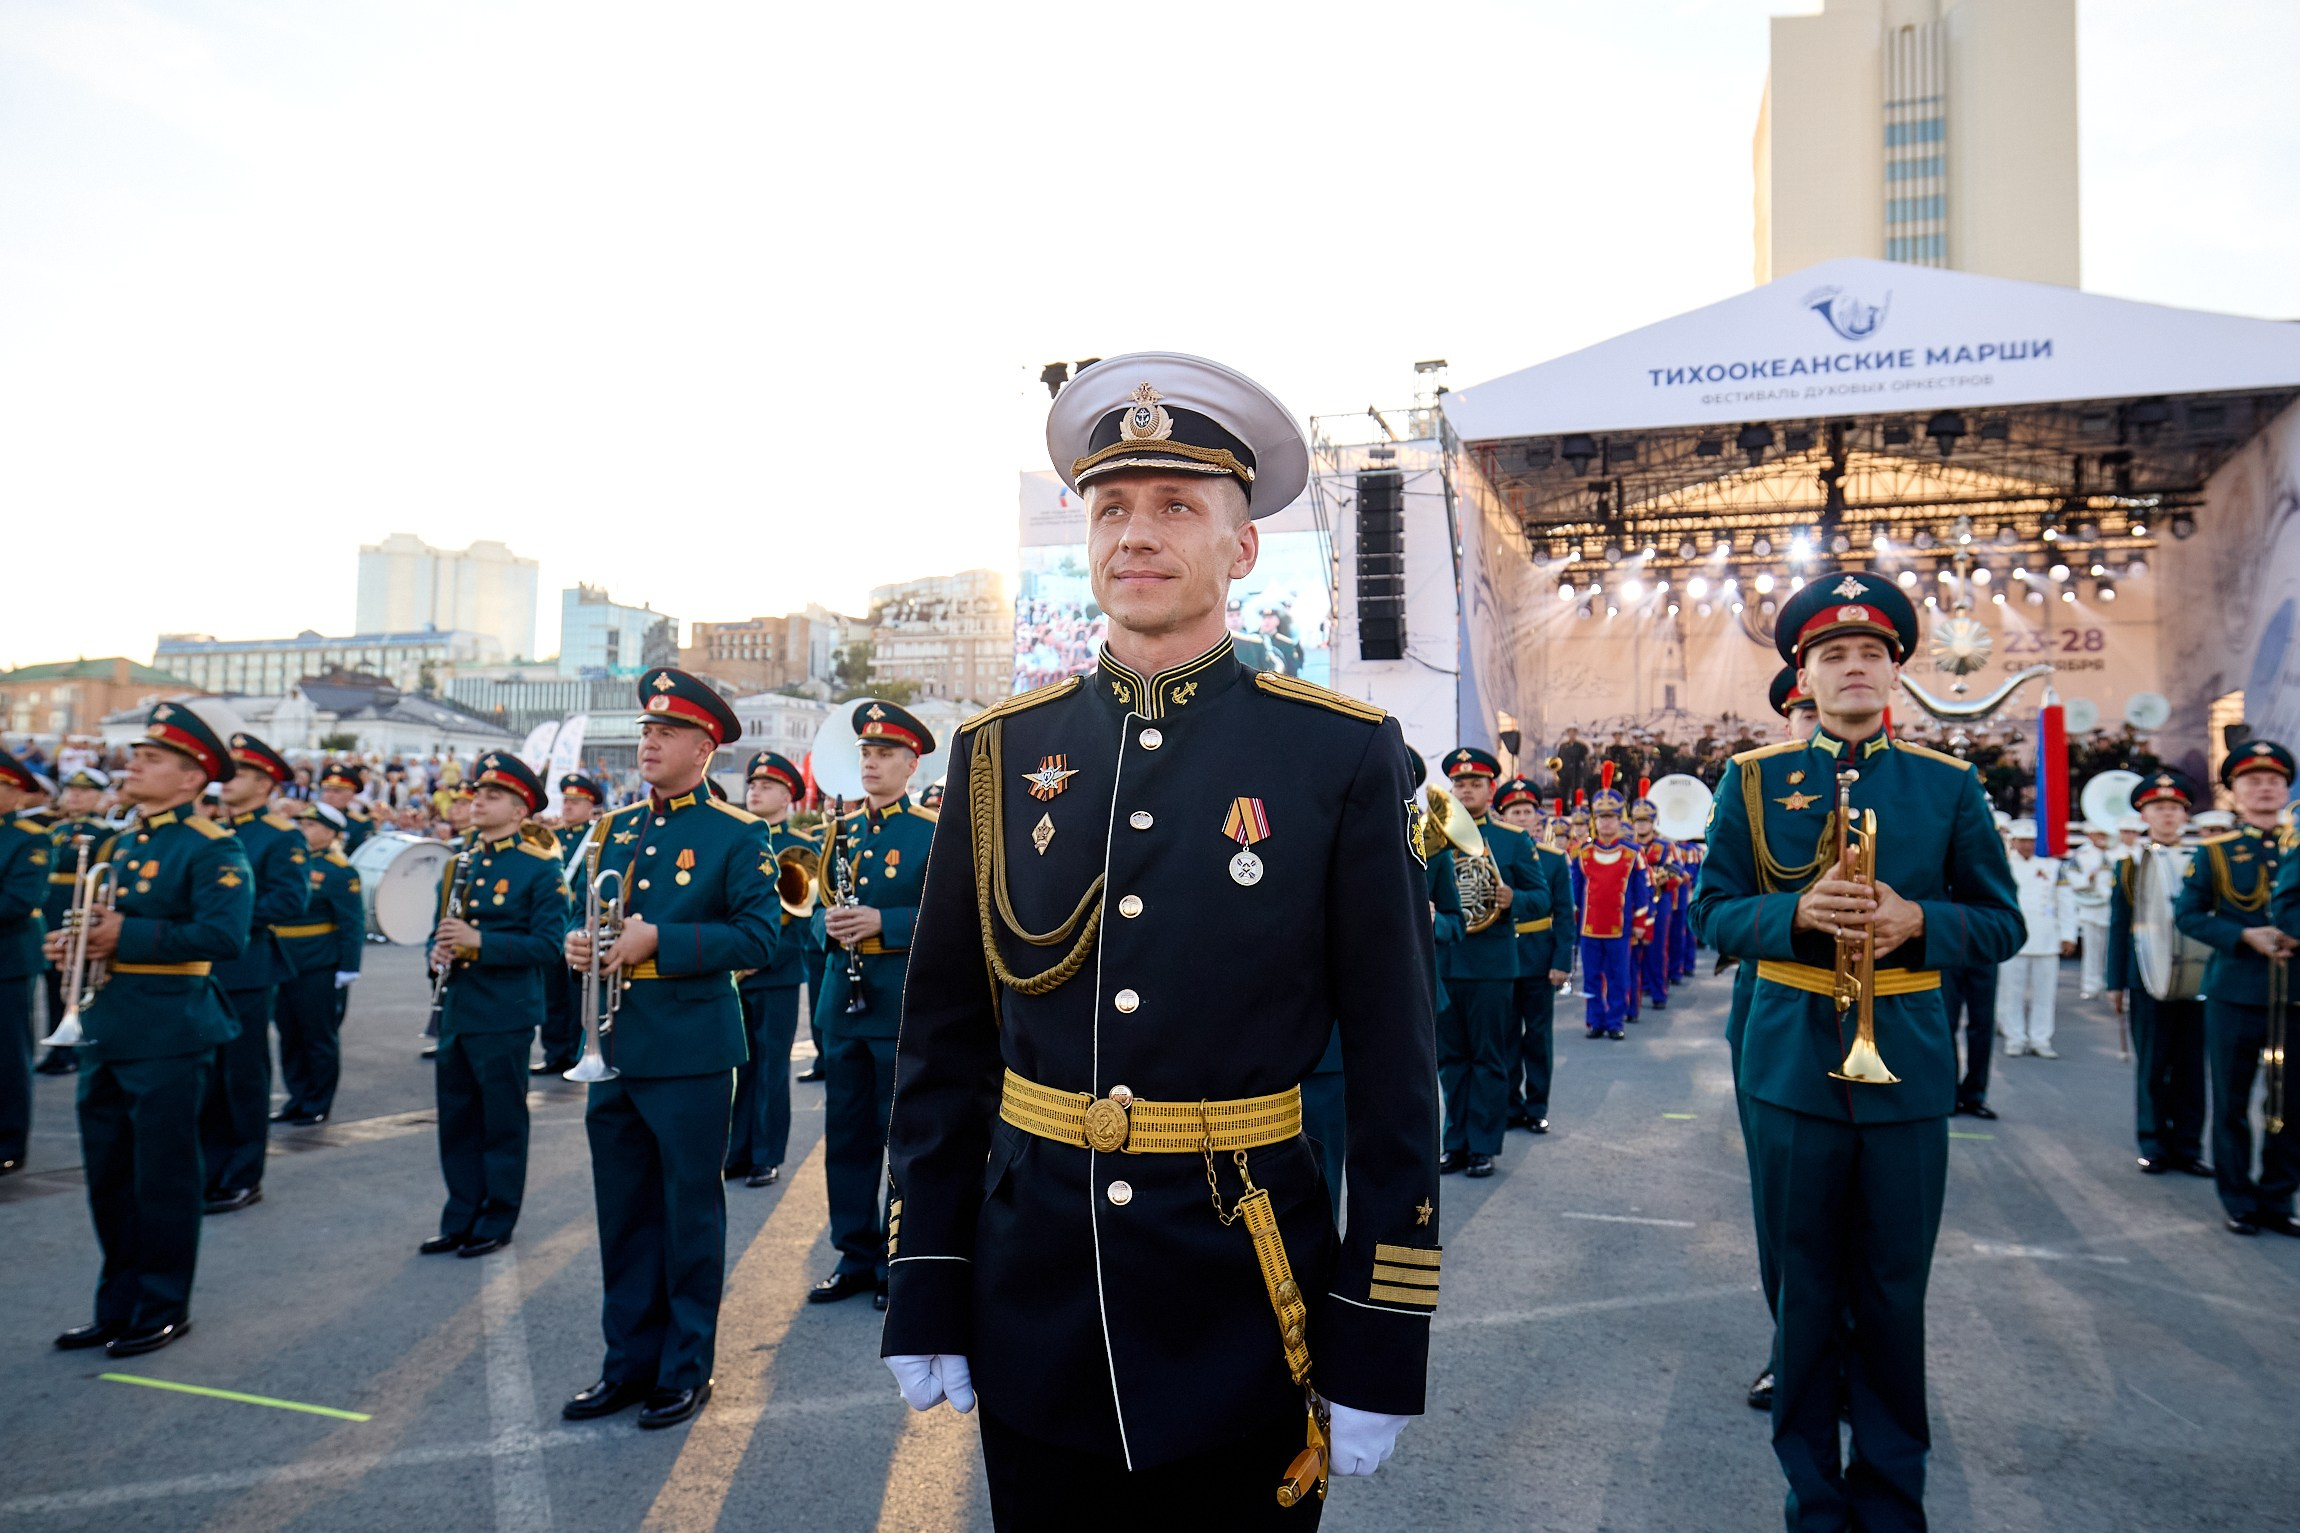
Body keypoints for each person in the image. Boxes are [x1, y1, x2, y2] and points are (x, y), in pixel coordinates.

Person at [881, 353, 1437, 1524]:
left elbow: (1394, 1072)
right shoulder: (996, 754)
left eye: (1177, 506)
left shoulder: (1335, 755)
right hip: (1032, 1302)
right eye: (1112, 507)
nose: (1136, 534)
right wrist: (925, 1280)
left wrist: (1380, 1331)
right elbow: (941, 1045)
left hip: (1245, 1304)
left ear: (1241, 550)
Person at [1692, 570, 2023, 1532]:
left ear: (1896, 676)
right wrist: (1792, 913)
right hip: (1792, 1062)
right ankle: (1815, 1499)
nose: (1854, 669)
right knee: (1800, 1288)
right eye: (1833, 655)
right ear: (1806, 673)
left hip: (1909, 1066)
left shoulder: (1949, 786)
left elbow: (2002, 923)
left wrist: (1920, 920)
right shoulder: (1749, 780)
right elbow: (1712, 911)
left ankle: (1890, 1500)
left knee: (1890, 1293)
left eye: (1872, 654)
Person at [560, 669, 777, 1430]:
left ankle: (683, 1369)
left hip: (689, 1050)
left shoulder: (738, 832)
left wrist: (663, 940)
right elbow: (578, 909)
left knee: (688, 1215)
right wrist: (581, 941)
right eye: (645, 730)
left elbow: (760, 935)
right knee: (623, 1216)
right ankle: (626, 1364)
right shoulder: (614, 829)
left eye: (666, 732)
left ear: (703, 747)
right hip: (615, 1047)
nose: (648, 741)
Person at [49, 703, 253, 1357]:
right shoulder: (121, 841)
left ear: (193, 778)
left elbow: (226, 936)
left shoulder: (213, 846)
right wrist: (74, 943)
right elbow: (99, 923)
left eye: (153, 757)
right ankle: (117, 1304)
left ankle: (163, 1304)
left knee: (161, 1176)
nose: (134, 763)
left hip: (169, 1028)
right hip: (108, 1022)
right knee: (109, 1175)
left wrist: (124, 933)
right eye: (137, 753)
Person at [806, 701, 938, 1304]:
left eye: (885, 754)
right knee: (848, 1134)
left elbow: (948, 918)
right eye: (866, 753)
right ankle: (854, 1253)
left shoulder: (932, 833)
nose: (872, 763)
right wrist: (827, 927)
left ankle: (894, 1261)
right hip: (844, 1006)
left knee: (900, 1138)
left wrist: (883, 923)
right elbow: (808, 914)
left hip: (898, 1005)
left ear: (911, 765)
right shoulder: (838, 832)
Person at [421, 753, 566, 1259]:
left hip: (505, 1012)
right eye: (477, 794)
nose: (478, 801)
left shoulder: (539, 869)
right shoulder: (459, 863)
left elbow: (551, 947)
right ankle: (460, 1214)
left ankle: (497, 1217)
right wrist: (436, 953)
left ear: (520, 810)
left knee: (501, 1119)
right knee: (457, 1119)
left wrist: (479, 942)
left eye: (493, 796)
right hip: (459, 1007)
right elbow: (439, 931)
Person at [1733, 665, 1819, 1412]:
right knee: (1786, 1204)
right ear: (1788, 718)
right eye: (1805, 711)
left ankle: (1869, 1354)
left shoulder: (1915, 783)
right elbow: (1719, 909)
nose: (1816, 721)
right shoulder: (1756, 788)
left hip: (1886, 1016)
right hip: (1774, 1006)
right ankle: (1792, 1347)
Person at [2176, 739, 2300, 1236]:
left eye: (2274, 780)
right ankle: (2238, 1199)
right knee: (2231, 1101)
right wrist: (2243, 934)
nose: (2265, 787)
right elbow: (2188, 915)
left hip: (2293, 993)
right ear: (2234, 793)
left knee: (2290, 1103)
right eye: (2252, 780)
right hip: (2235, 991)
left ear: (2286, 788)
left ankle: (2278, 1197)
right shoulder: (2214, 853)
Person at [201, 733, 308, 1215]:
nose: (226, 781)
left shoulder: (281, 835)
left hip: (246, 966)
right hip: (204, 965)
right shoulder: (216, 831)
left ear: (265, 783)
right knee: (207, 1076)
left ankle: (244, 1176)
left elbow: (290, 901)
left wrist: (226, 916)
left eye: (239, 774)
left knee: (242, 1077)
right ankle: (211, 1169)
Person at [1433, 748, 1541, 1178]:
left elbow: (1542, 898)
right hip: (1446, 963)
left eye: (1475, 783)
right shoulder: (1433, 839)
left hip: (1492, 966)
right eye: (1459, 784)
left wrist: (1514, 899)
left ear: (1491, 789)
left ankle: (1482, 1145)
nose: (1466, 790)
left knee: (1489, 1058)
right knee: (1450, 1060)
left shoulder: (1513, 840)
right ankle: (1454, 1141)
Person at [2105, 769, 2212, 1178]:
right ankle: (2152, 1143)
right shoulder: (2130, 866)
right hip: (2147, 976)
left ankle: (2188, 1146)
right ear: (2144, 815)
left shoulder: (2205, 860)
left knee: (2190, 1066)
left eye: (2174, 808)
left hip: (2198, 977)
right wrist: (2115, 982)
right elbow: (2120, 926)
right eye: (2158, 808)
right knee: (2153, 1062)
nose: (2167, 815)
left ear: (2185, 815)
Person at [724, 750, 819, 1189]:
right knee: (740, 1064)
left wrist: (754, 961)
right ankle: (738, 1150)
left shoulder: (798, 848)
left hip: (776, 974)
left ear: (787, 796)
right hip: (737, 974)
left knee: (771, 1067)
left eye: (766, 786)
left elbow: (799, 924)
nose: (754, 791)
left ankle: (766, 1155)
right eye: (752, 785)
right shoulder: (736, 839)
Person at [269, 803, 363, 1125]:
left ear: (331, 833)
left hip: (318, 964)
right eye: (302, 823)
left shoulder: (340, 871)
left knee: (317, 1036)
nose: (303, 830)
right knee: (289, 1034)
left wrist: (348, 967)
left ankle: (317, 1103)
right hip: (282, 961)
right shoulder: (288, 863)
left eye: (311, 825)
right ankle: (296, 1099)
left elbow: (351, 923)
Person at [1496, 775, 1571, 1134]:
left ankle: (1537, 1106)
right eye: (1515, 811)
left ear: (1537, 818)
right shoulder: (1493, 855)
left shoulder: (1555, 860)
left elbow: (1565, 914)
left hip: (1540, 958)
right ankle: (1510, 1105)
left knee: (1538, 1037)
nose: (1522, 817)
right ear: (1502, 816)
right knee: (1506, 1035)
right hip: (1502, 957)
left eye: (1527, 811)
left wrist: (1561, 962)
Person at [36, 767, 110, 1078]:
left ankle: (75, 1049)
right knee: (54, 983)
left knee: (78, 982)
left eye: (83, 791)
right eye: (71, 790)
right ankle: (58, 1047)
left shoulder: (106, 834)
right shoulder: (55, 831)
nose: (75, 796)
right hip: (50, 911)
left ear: (98, 796)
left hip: (76, 908)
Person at [0, 749, 52, 1175]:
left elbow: (19, 901)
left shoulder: (29, 837)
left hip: (8, 957)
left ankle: (8, 1140)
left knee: (7, 1054)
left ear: (16, 794)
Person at [534, 772, 605, 1077]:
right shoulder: (553, 838)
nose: (568, 807)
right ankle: (554, 1052)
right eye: (566, 801)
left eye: (576, 802)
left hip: (579, 923)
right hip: (554, 925)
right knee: (552, 993)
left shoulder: (598, 837)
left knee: (578, 996)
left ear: (591, 806)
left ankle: (578, 1052)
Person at [1572, 767, 1647, 1040]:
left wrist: (1640, 923)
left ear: (1620, 820)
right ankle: (1594, 1020)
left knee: (1619, 977)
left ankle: (1615, 1022)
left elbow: (1642, 892)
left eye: (1611, 817)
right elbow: (1575, 893)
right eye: (1601, 817)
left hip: (1620, 927)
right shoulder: (1583, 854)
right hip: (1589, 928)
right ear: (1595, 820)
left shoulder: (1632, 854)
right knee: (1591, 977)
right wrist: (1573, 921)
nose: (1606, 823)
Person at [1997, 819, 2073, 1060]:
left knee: (2044, 994)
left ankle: (2041, 1038)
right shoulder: (2004, 867)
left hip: (2046, 937)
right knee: (2012, 992)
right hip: (2015, 938)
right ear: (2013, 842)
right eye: (2022, 841)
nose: (2026, 845)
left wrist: (2068, 934)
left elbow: (2065, 902)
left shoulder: (2053, 866)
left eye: (2030, 841)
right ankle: (2015, 1037)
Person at [2069, 822, 2116, 998]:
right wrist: (2088, 877)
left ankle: (2112, 985)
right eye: (2097, 834)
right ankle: (2090, 986)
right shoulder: (2082, 855)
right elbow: (2073, 880)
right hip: (2090, 907)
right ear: (2090, 836)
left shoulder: (2116, 853)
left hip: (2113, 907)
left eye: (2103, 834)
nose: (2101, 838)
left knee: (2112, 949)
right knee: (2092, 950)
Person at [317, 762, 374, 855]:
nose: (329, 795)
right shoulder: (310, 819)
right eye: (327, 790)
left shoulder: (360, 823)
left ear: (351, 795)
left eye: (337, 791)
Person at [1555, 727, 1590, 803]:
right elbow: (1559, 760)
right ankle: (1565, 812)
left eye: (1574, 732)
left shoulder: (1582, 747)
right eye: (1570, 732)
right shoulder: (1563, 746)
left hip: (1577, 774)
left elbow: (1585, 761)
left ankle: (1575, 810)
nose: (1572, 734)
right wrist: (1559, 773)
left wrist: (1583, 774)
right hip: (1565, 774)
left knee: (1576, 795)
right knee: (1564, 795)